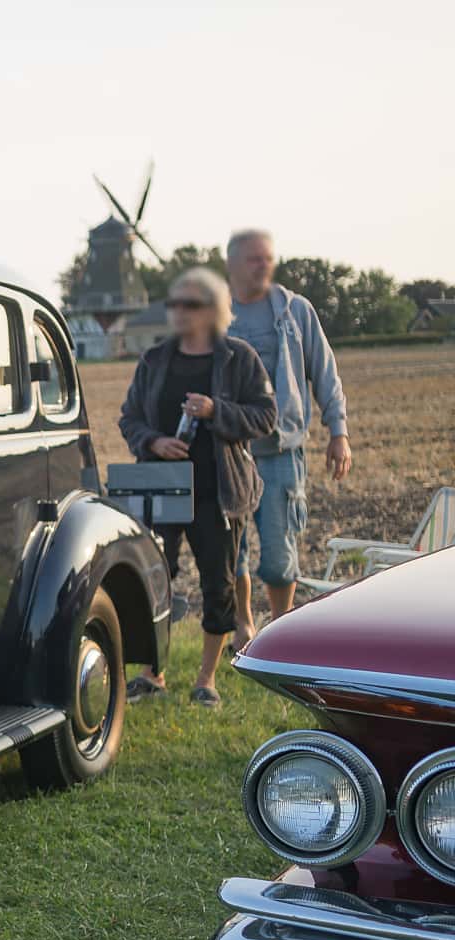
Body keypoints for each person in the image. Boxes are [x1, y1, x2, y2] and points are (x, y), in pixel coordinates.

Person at [118, 268, 276, 706]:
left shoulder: (239, 358)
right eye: (174, 304)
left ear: (213, 309)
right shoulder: (153, 359)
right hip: (160, 489)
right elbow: (129, 417)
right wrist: (153, 441)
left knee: (218, 584)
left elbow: (265, 417)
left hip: (218, 494)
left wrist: (215, 411)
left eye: (189, 304)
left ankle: (207, 679)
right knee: (155, 580)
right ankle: (153, 673)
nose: (178, 312)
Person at [225, 229, 350, 645]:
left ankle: (281, 632)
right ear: (233, 264)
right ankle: (244, 625)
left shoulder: (295, 311)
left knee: (279, 555)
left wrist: (339, 432)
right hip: (230, 453)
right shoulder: (216, 314)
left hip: (282, 451)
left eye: (268, 258)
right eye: (254, 259)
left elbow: (324, 372)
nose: (264, 265)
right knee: (233, 550)